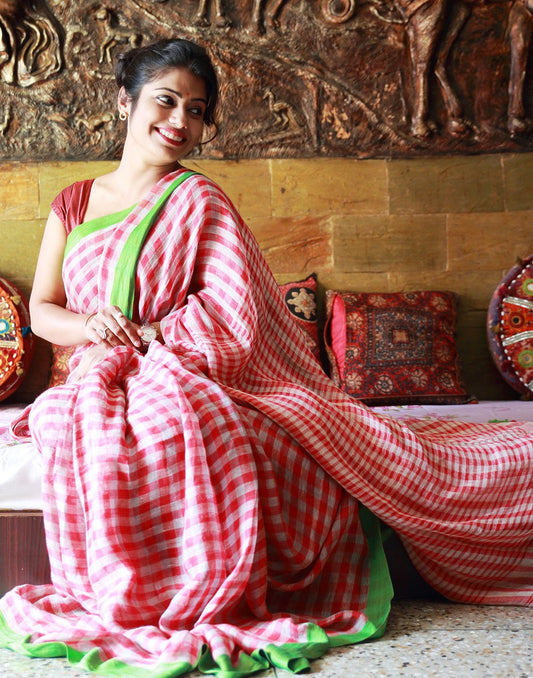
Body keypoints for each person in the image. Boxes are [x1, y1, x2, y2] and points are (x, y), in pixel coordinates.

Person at [0, 37, 531, 677]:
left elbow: (234, 314)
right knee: (78, 421)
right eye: (166, 102)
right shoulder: (73, 204)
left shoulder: (201, 201)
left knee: (184, 417)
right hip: (99, 367)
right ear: (125, 102)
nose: (179, 122)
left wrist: (159, 343)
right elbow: (42, 312)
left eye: (197, 111)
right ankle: (132, 598)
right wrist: (90, 326)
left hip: (179, 361)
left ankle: (196, 592)